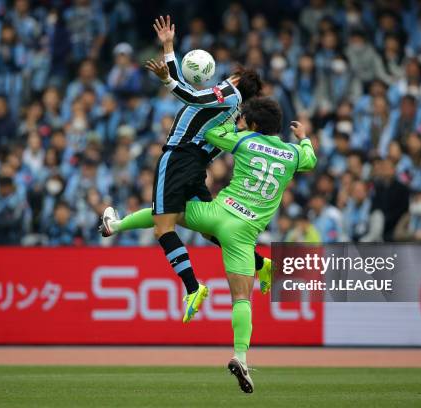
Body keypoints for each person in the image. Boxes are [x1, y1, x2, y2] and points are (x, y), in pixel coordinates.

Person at [101, 97, 317, 393]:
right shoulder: (293, 154)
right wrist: (303, 139)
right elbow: (311, 160)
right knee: (242, 299)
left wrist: (230, 120)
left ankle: (116, 225)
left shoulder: (244, 141)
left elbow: (210, 133)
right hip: (243, 233)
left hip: (216, 214)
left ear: (253, 124)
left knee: (167, 213)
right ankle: (240, 356)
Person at [101, 15, 264, 324]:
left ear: (239, 80)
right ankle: (260, 264)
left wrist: (165, 78)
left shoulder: (228, 94)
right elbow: (191, 87)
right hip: (194, 164)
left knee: (163, 227)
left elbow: (189, 93)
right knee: (209, 227)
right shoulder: (228, 104)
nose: (225, 77)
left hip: (178, 158)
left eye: (231, 75)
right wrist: (169, 49)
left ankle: (192, 287)